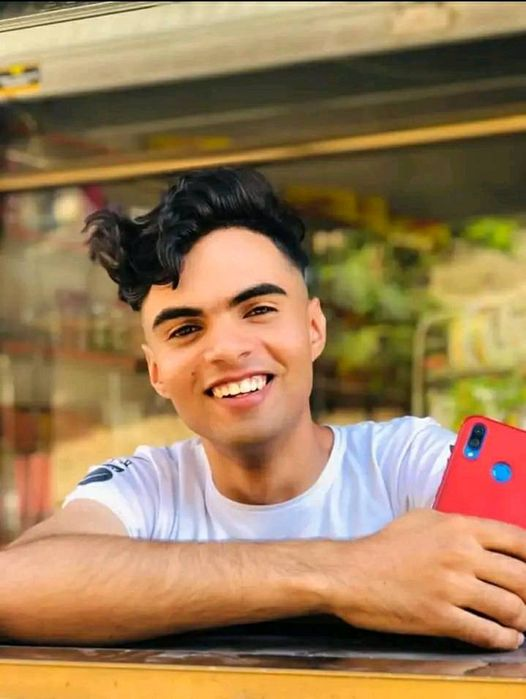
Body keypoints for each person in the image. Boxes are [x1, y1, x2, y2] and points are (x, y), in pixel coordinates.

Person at [1, 167, 525, 649]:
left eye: (258, 309)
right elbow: (14, 585)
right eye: (186, 329)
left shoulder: (406, 462)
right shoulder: (146, 488)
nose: (227, 349)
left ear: (313, 328)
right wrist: (345, 572)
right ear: (156, 371)